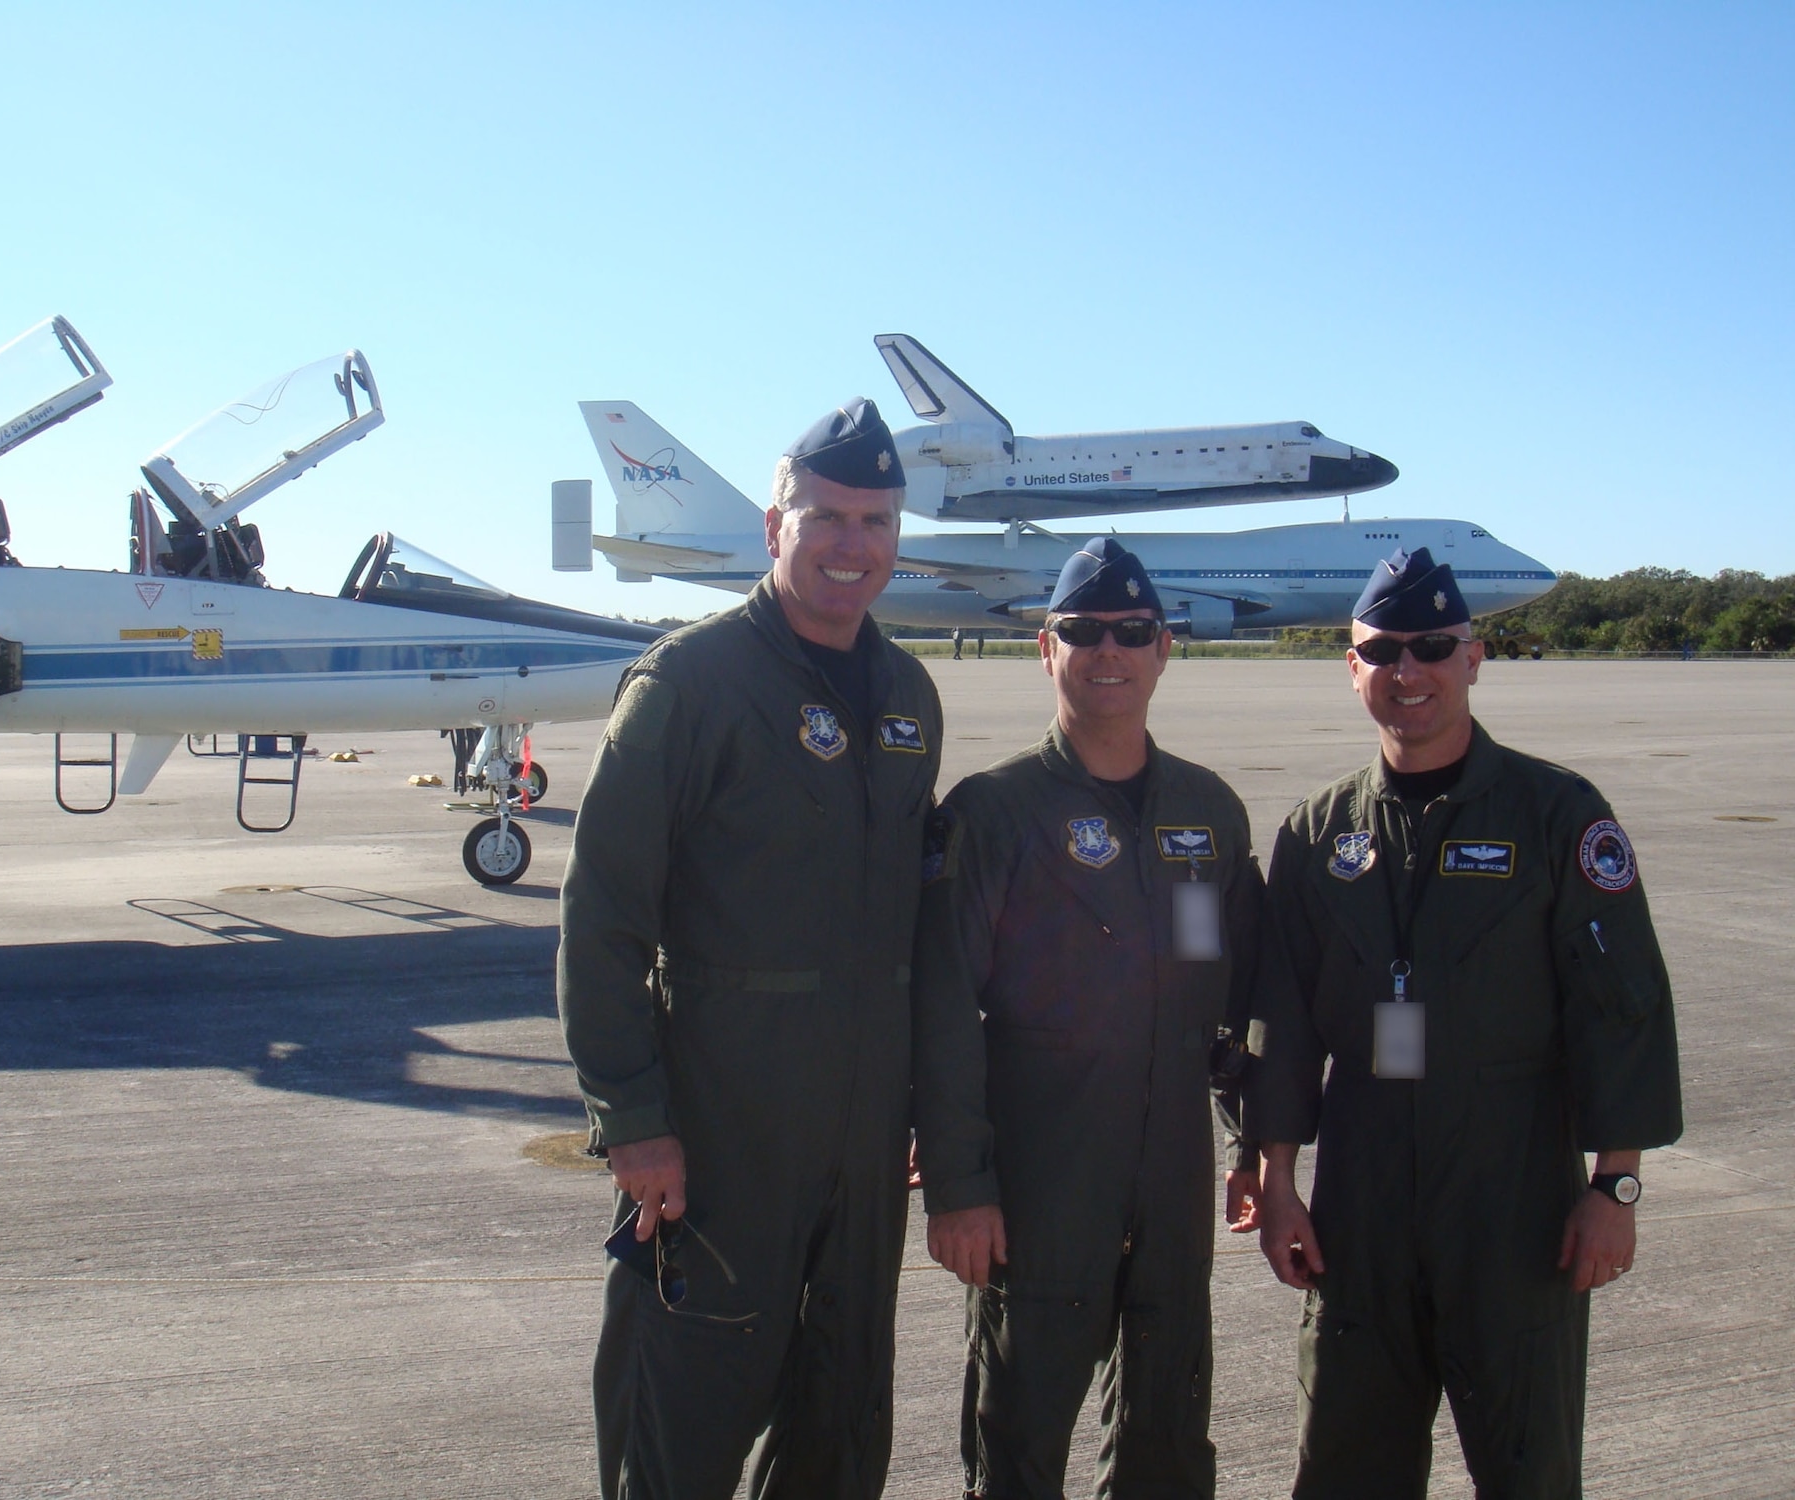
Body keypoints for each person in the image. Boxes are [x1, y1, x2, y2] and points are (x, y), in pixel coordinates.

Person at [557, 398, 943, 1500]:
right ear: (775, 523)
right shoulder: (690, 685)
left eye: (875, 521)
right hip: (723, 1138)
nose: (851, 545)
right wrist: (632, 1125)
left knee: (840, 1423)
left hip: (864, 1151)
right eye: (826, 516)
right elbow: (603, 919)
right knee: (684, 1424)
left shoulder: (908, 696)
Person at [1249, 546, 1684, 1498]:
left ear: (1475, 658)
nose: (1410, 672)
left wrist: (1616, 1188)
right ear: (1353, 664)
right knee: (1344, 1468)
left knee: (1529, 1471)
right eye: (1387, 651)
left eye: (1434, 648)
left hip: (1514, 1199)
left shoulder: (1556, 813)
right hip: (1359, 1203)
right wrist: (1277, 1180)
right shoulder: (1318, 833)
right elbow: (1281, 1022)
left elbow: (1622, 1005)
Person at [912, 537, 1267, 1499]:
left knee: (1169, 1439)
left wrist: (1253, 1144)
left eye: (1132, 631)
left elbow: (1228, 992)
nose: (1107, 650)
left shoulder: (1205, 813)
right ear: (1046, 648)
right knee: (1020, 1444)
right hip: (1039, 1182)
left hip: (1171, 1179)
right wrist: (958, 1183)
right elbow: (942, 1004)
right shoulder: (993, 814)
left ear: (1164, 650)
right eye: (1082, 631)